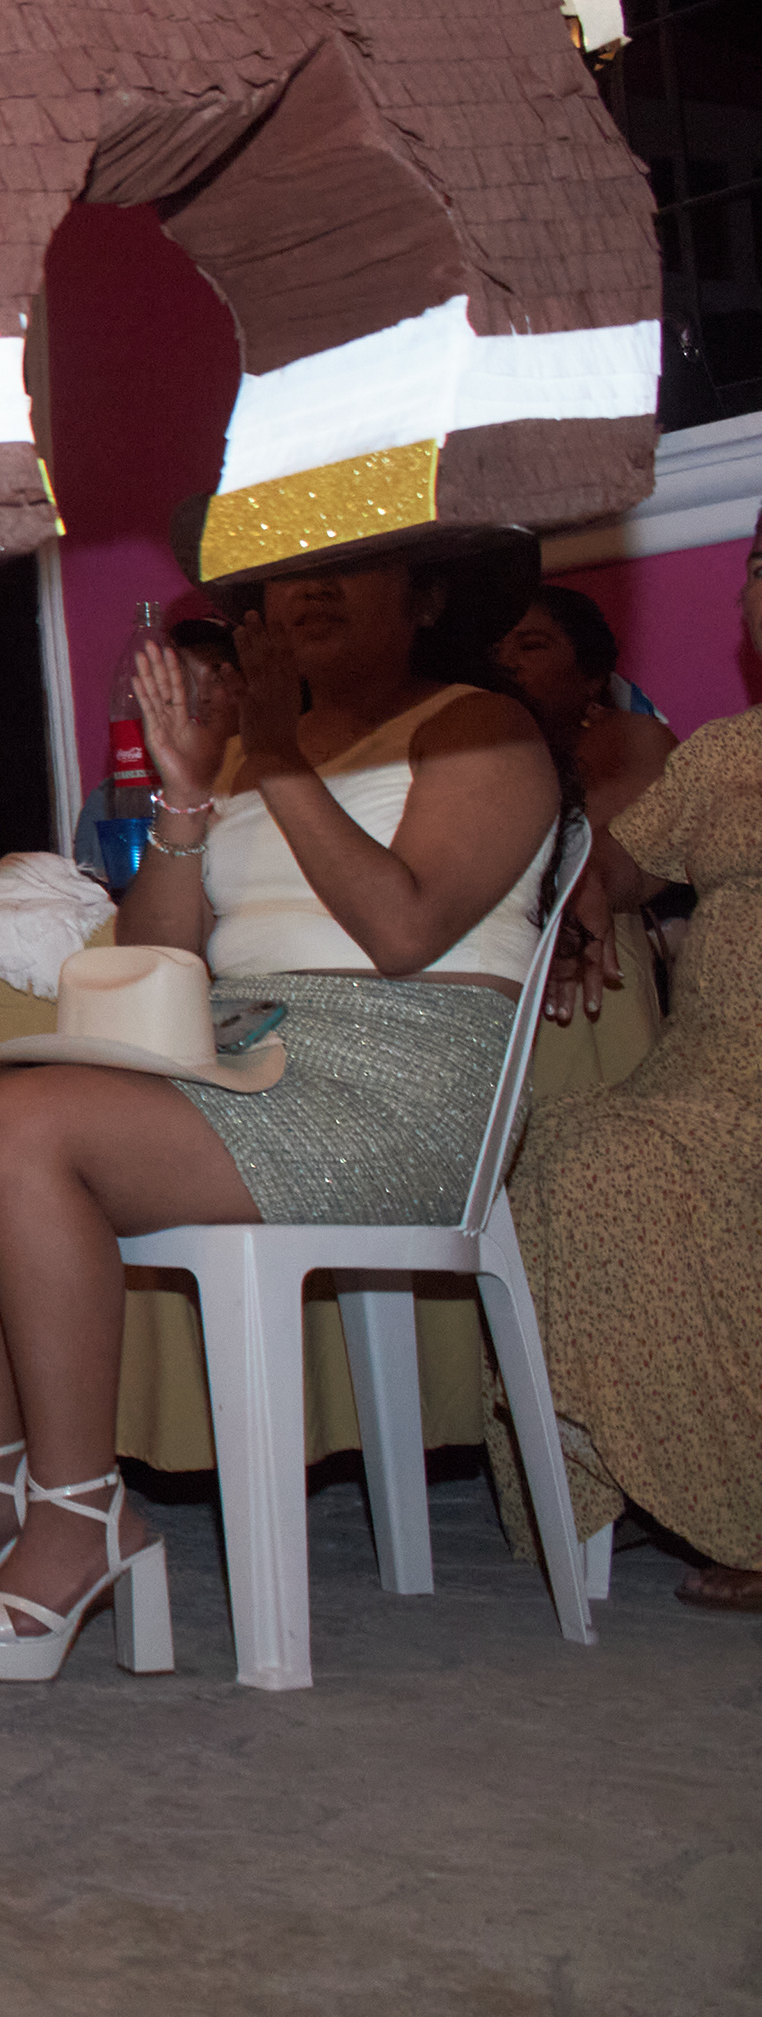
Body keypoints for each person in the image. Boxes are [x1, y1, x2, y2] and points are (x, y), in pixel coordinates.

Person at [0, 551, 563, 1681]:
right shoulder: (248, 750)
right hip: (237, 1052)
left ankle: (81, 1510)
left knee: (26, 1126)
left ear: (429, 594)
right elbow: (155, 962)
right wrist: (190, 795)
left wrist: (276, 753)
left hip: (404, 1082)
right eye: (288, 576)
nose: (309, 592)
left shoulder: (481, 727)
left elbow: (404, 932)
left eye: (351, 568)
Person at [508, 535, 762, 1613]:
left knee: (624, 1166)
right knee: (556, 1146)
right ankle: (629, 1472)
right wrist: (585, 885)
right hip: (711, 1063)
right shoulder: (726, 753)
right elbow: (622, 860)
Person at [499, 583, 680, 1026]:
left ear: (592, 676)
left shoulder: (628, 737)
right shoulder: (458, 754)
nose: (506, 661)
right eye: (492, 649)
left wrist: (577, 879)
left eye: (532, 645)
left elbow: (627, 841)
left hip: (585, 964)